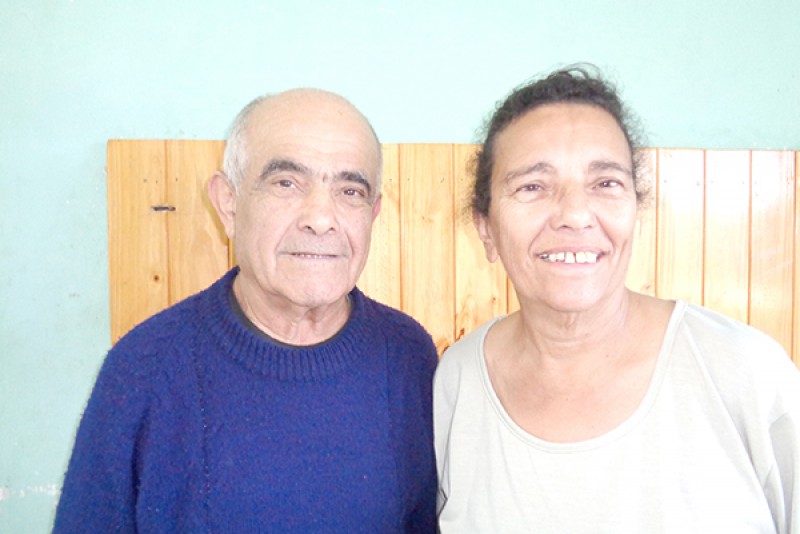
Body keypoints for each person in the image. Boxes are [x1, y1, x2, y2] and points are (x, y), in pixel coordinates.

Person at [434, 67, 800, 533]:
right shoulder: (459, 379)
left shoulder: (744, 373)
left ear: (634, 208)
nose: (574, 214)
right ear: (486, 228)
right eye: (532, 186)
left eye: (605, 182)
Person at [54, 89, 438, 532]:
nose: (321, 218)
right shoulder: (143, 368)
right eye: (286, 183)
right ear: (228, 203)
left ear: (373, 214)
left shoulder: (409, 356)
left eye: (350, 191)